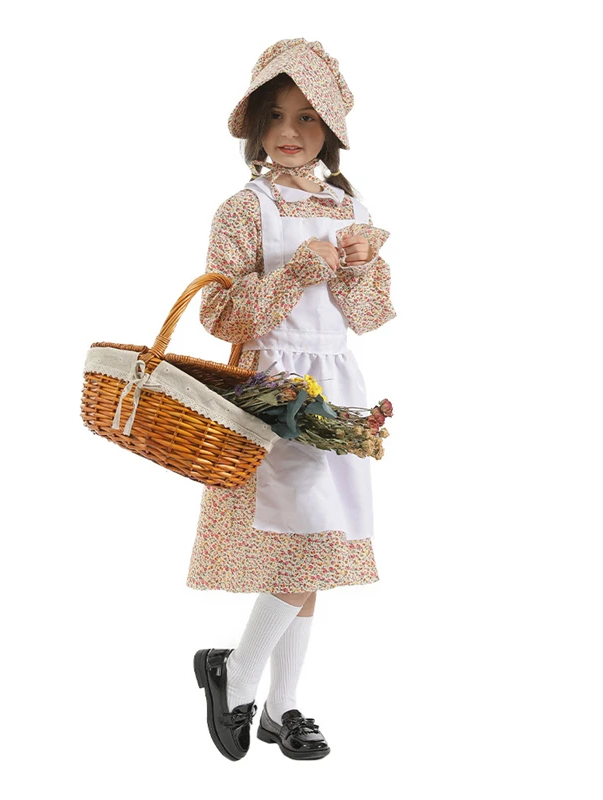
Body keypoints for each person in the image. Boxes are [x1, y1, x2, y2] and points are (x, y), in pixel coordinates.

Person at [190, 38, 397, 761]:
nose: (289, 131)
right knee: (306, 536)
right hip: (274, 387)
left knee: (318, 541)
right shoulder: (243, 210)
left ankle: (281, 707)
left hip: (336, 384)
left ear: (330, 128)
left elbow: (367, 316)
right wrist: (295, 275)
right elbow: (219, 314)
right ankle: (238, 675)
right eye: (275, 115)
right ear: (254, 125)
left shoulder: (350, 207)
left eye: (308, 117)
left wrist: (359, 269)